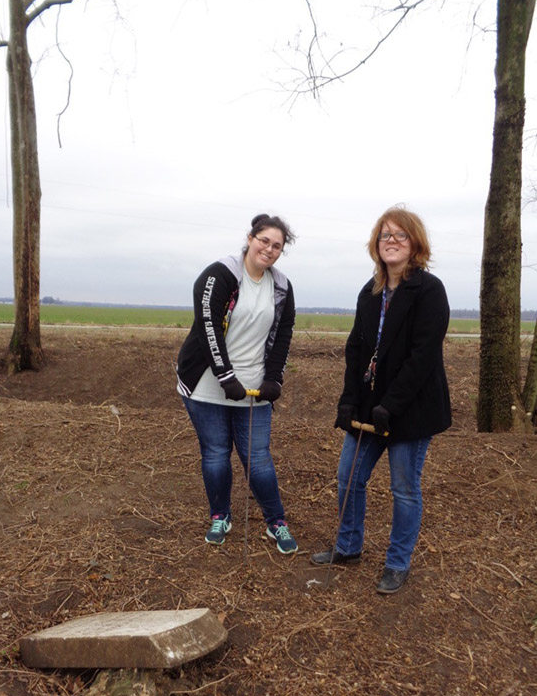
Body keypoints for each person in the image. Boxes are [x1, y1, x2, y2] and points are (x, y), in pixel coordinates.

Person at [311, 206, 451, 593]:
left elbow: (423, 357)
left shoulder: (429, 290)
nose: (391, 241)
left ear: (415, 244)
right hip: (369, 409)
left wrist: (390, 405)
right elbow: (356, 349)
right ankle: (349, 546)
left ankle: (397, 562)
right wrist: (348, 400)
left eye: (400, 235)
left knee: (404, 489)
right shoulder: (369, 292)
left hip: (410, 410)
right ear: (376, 244)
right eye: (385, 235)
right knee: (348, 477)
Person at [177, 213, 298, 554]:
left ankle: (276, 522)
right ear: (250, 237)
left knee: (257, 458)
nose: (269, 249)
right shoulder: (221, 274)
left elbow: (283, 334)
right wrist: (225, 376)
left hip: (254, 387)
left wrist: (274, 377)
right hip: (207, 382)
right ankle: (220, 516)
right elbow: (208, 326)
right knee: (216, 454)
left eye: (277, 246)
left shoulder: (281, 287)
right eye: (264, 241)